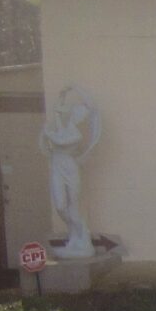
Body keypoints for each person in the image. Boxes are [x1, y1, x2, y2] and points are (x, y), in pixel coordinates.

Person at [42, 85, 103, 258]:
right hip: (57, 166)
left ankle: (80, 238)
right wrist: (63, 94)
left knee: (73, 207)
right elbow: (57, 111)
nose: (76, 116)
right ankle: (75, 235)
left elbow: (60, 142)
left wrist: (77, 88)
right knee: (60, 206)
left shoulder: (76, 135)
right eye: (73, 113)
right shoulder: (62, 126)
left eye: (79, 115)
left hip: (70, 168)